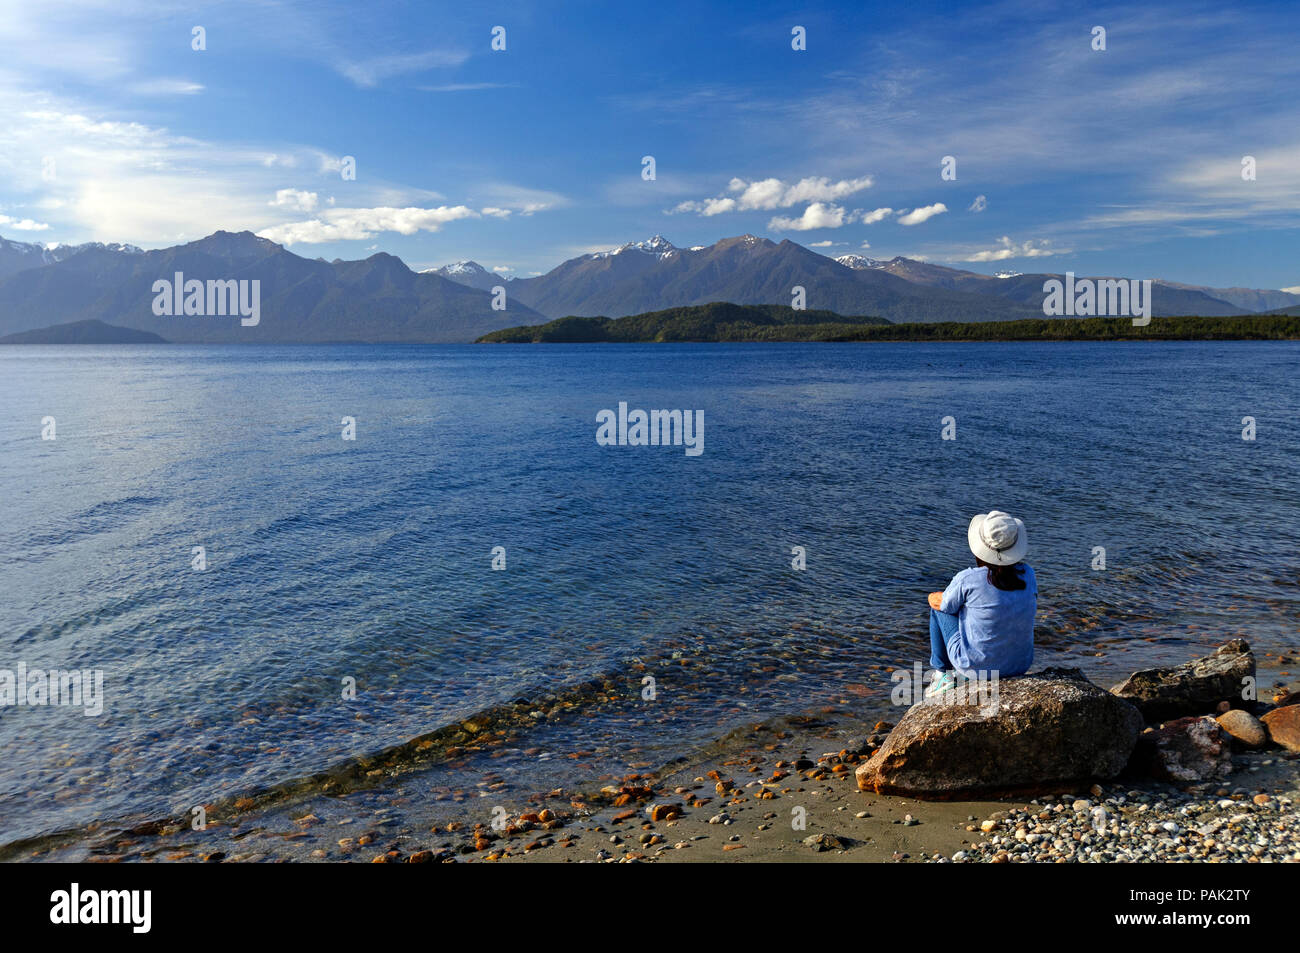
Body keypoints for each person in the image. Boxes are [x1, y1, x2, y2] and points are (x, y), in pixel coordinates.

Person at [925, 510, 1037, 697]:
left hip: (976, 668)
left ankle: (942, 674)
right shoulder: (1029, 574)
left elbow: (942, 606)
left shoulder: (968, 578)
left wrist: (932, 597)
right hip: (1020, 665)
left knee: (939, 608)